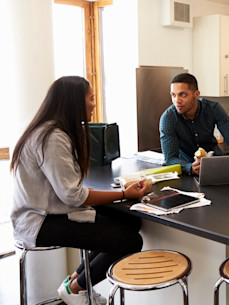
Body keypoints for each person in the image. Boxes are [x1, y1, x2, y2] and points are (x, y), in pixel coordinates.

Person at [10, 76, 151, 305]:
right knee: (131, 241)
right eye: (91, 99)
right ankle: (77, 289)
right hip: (40, 222)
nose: (94, 104)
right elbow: (72, 195)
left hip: (51, 211)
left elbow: (66, 189)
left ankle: (73, 284)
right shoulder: (53, 137)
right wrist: (125, 193)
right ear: (74, 102)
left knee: (131, 221)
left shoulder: (49, 131)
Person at [160, 73, 229, 178]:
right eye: (173, 95)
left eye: (183, 95)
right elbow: (170, 158)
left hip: (216, 165)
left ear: (196, 94)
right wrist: (190, 167)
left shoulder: (213, 108)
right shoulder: (168, 118)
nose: (177, 101)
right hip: (187, 170)